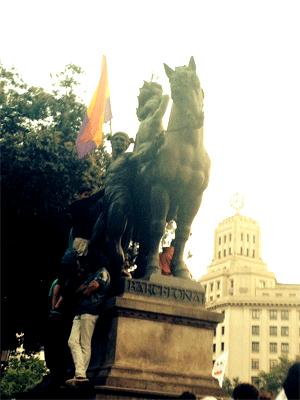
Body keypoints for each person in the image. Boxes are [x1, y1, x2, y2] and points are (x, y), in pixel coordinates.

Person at [66, 265, 110, 385]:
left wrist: (85, 289)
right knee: (72, 341)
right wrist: (84, 289)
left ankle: (80, 375)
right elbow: (80, 290)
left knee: (85, 344)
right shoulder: (93, 273)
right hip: (81, 310)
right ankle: (80, 373)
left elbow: (92, 287)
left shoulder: (102, 272)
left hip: (91, 310)